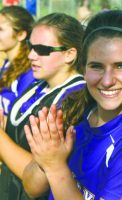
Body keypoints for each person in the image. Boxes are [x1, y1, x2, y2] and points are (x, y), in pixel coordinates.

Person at [23, 10, 122, 200]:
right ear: (83, 67)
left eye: (121, 66)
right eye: (96, 66)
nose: (107, 81)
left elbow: (53, 173)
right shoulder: (77, 111)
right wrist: (47, 159)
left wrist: (55, 167)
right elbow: (32, 188)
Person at [0, 13, 86, 200]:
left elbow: (38, 173)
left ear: (69, 54)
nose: (31, 55)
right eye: (31, 46)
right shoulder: (39, 84)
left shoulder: (73, 98)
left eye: (42, 49)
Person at [0, 6, 36, 117]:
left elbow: (19, 124)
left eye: (0, 29)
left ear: (21, 35)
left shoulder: (31, 72)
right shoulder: (7, 64)